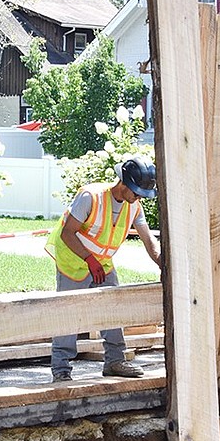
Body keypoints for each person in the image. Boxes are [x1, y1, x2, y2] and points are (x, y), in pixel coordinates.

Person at [44, 155, 162, 382]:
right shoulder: (90, 197)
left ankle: (115, 362)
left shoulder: (134, 207)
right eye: (136, 192)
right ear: (124, 183)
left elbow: (149, 241)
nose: (139, 197)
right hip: (73, 261)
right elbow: (67, 233)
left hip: (102, 263)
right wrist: (89, 260)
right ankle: (61, 370)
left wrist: (162, 264)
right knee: (68, 313)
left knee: (112, 308)